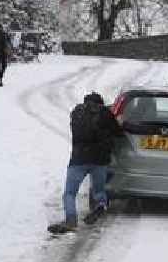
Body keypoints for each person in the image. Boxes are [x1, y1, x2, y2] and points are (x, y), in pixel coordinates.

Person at [48, 92, 121, 234]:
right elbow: (118, 132)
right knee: (98, 190)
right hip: (100, 160)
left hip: (78, 159)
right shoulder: (105, 113)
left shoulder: (77, 112)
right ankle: (100, 205)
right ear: (100, 103)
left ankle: (70, 220)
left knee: (69, 193)